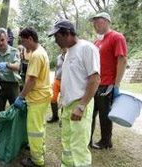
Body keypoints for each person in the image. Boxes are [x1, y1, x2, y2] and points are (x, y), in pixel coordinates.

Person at [48, 20, 100, 167]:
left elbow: (95, 79)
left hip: (80, 105)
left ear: (68, 33)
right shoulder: (69, 51)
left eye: (57, 36)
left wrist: (82, 106)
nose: (55, 40)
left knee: (78, 146)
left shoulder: (87, 48)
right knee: (67, 142)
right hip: (68, 105)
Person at [14, 28, 52, 167]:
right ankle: (40, 150)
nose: (23, 45)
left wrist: (21, 96)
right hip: (44, 95)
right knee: (40, 126)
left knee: (34, 130)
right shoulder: (42, 51)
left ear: (30, 39)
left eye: (24, 42)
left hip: (37, 98)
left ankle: (36, 160)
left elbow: (31, 81)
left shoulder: (36, 55)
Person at [89, 12, 127, 149]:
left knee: (105, 116)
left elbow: (122, 60)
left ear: (106, 21)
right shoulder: (98, 41)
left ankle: (106, 142)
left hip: (107, 84)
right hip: (96, 83)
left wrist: (116, 85)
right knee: (90, 114)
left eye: (97, 22)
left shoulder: (117, 37)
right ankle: (87, 139)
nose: (94, 25)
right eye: (93, 23)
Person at [0, 28, 21, 117]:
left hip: (13, 85)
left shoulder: (14, 51)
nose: (0, 43)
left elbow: (18, 66)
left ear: (7, 39)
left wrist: (7, 65)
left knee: (15, 111)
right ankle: (1, 129)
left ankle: (15, 130)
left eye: (2, 40)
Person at [47, 48, 66, 123]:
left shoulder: (70, 56)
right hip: (57, 80)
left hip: (65, 81)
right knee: (53, 98)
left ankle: (63, 119)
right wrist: (54, 79)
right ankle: (55, 117)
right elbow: (57, 68)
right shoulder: (58, 57)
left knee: (64, 101)